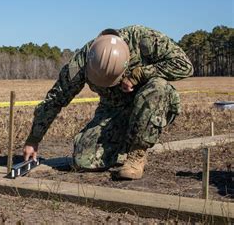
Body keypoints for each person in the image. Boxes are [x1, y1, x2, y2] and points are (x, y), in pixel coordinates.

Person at [23, 25, 193, 180]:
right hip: (113, 110)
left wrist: (140, 74)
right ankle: (123, 144)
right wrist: (33, 139)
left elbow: (184, 65)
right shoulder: (82, 60)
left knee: (158, 86)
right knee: (83, 160)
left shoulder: (143, 39)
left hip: (151, 104)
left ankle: (137, 154)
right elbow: (55, 99)